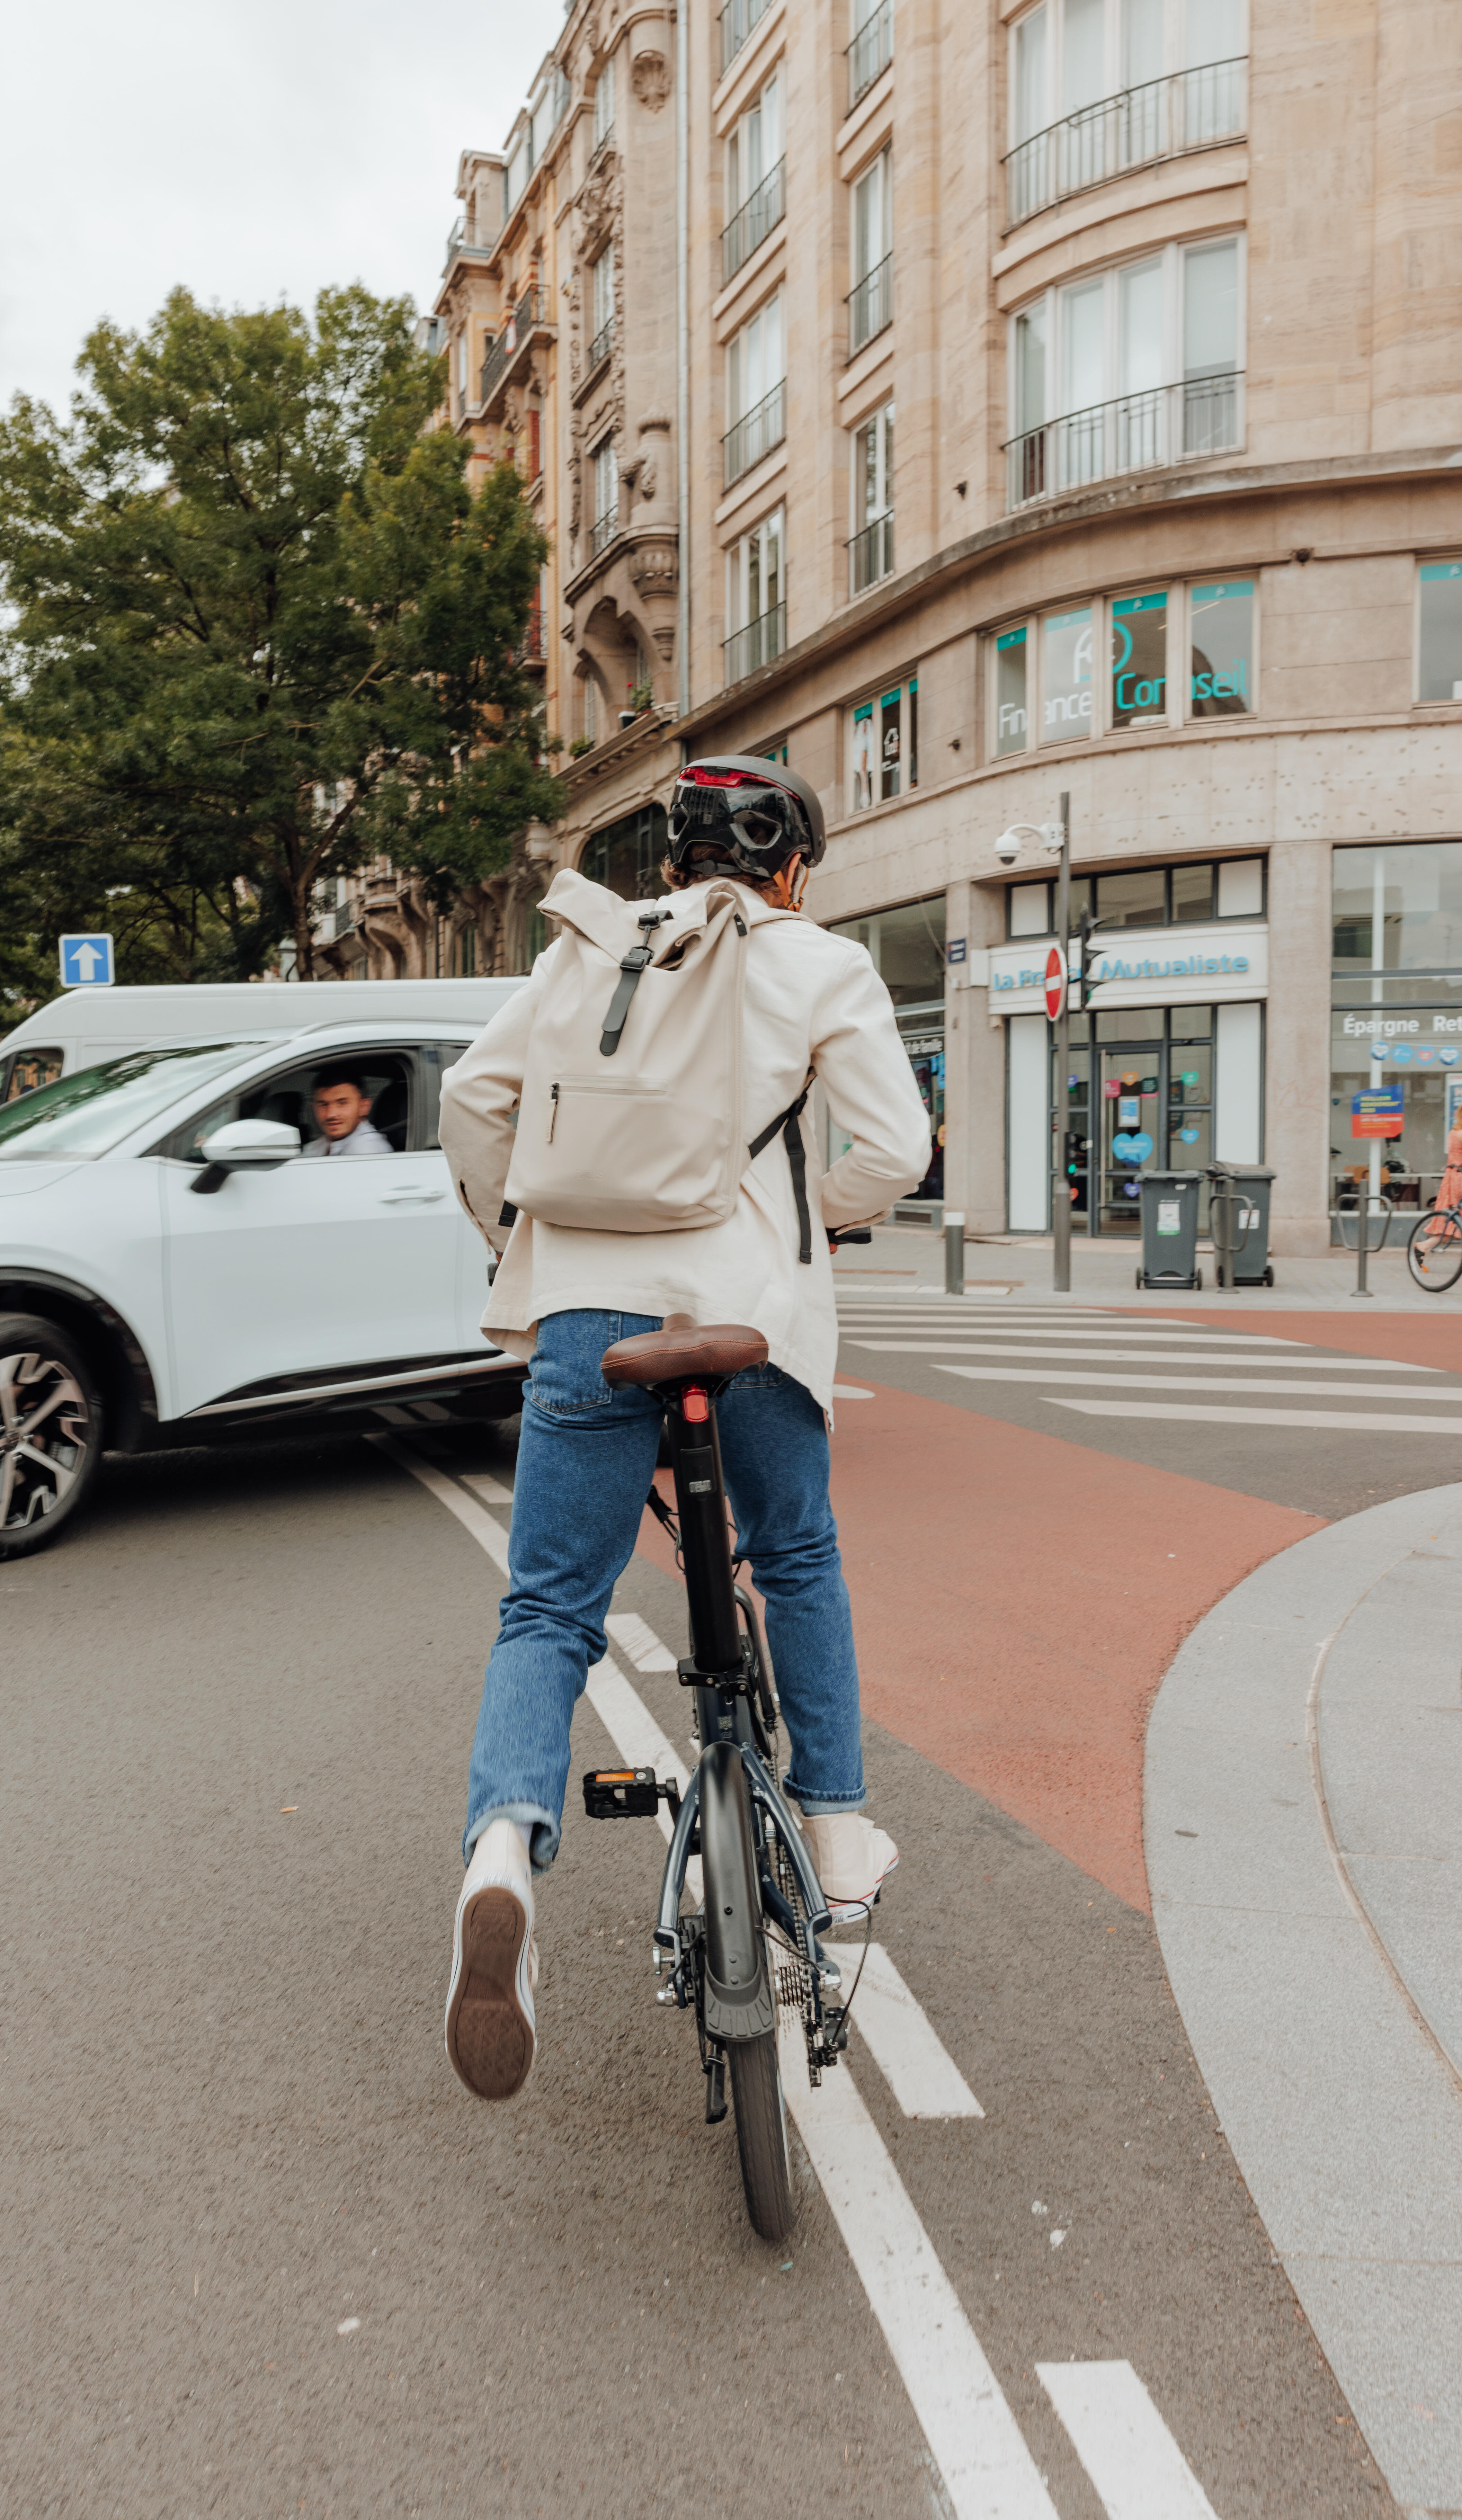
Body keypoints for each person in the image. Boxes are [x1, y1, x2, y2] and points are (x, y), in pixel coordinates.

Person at [436, 754, 931, 2102]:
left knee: (550, 1608)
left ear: (671, 862)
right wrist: (811, 1218)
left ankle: (500, 1852)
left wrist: (507, 1234)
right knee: (796, 1553)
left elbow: (473, 1101)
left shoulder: (587, 950)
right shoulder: (820, 961)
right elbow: (894, 1151)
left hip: (587, 1316)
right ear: (792, 867)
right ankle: (835, 1833)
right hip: (750, 1319)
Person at [302, 1064, 392, 1158]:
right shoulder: (321, 1144)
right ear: (313, 1108)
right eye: (323, 1105)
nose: (331, 1115)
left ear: (364, 1107)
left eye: (342, 1103)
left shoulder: (367, 1150)